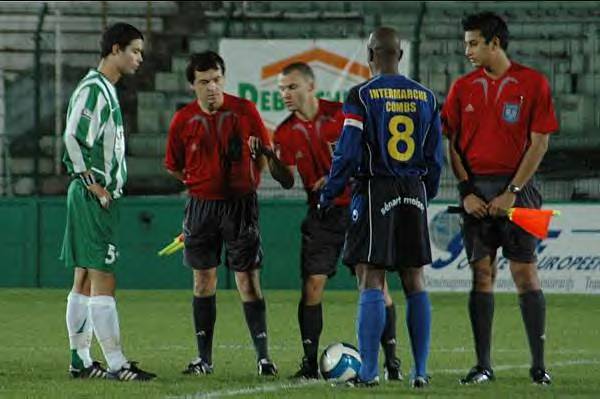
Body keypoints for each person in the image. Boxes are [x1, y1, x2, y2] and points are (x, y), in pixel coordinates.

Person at [251, 62, 403, 380]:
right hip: (321, 216)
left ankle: (392, 363)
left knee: (374, 285)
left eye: (291, 87)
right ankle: (309, 363)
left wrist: (336, 177)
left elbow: (369, 153)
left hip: (359, 209)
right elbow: (287, 181)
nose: (285, 94)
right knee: (312, 286)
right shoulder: (286, 131)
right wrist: (270, 160)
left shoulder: (342, 114)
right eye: (280, 89)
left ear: (310, 86)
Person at [318, 27, 443, 388]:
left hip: (376, 189)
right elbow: (435, 157)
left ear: (370, 55)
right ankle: (420, 372)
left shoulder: (361, 95)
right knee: (414, 279)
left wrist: (331, 193)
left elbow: (348, 150)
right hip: (414, 190)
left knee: (371, 277)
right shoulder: (427, 97)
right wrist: (425, 193)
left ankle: (369, 372)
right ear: (399, 55)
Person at [441, 12, 557, 386]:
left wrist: (513, 192)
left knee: (525, 271)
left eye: (474, 43)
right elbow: (451, 144)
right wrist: (466, 191)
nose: (468, 51)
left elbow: (540, 142)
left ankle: (539, 367)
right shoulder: (462, 88)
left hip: (521, 190)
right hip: (477, 190)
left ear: (495, 43)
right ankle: (483, 366)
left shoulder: (533, 83)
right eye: (466, 44)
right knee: (481, 273)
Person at [164, 51, 277, 377]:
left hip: (240, 205)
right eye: (204, 82)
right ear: (192, 86)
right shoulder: (182, 120)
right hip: (201, 207)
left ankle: (264, 358)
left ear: (223, 80)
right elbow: (174, 166)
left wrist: (251, 176)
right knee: (203, 281)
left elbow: (264, 157)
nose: (212, 87)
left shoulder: (245, 110)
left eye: (216, 80)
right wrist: (197, 182)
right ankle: (205, 359)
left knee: (248, 280)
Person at [61, 23, 156, 381]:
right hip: (92, 197)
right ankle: (118, 364)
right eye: (134, 50)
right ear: (114, 49)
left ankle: (81, 360)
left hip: (90, 196)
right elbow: (72, 137)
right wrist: (95, 186)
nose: (139, 58)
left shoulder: (104, 89)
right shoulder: (95, 90)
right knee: (103, 278)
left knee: (84, 278)